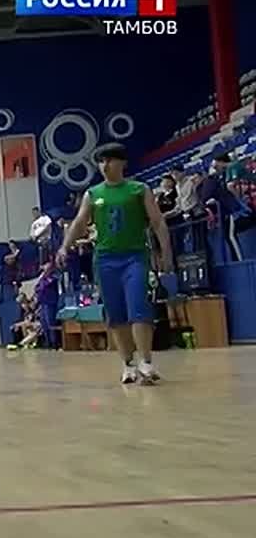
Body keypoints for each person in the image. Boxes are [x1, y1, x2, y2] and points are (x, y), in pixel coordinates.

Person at [57, 143, 172, 385]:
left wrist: (166, 252)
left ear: (122, 163)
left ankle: (146, 361)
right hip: (105, 259)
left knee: (138, 306)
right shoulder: (93, 194)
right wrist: (65, 246)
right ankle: (128, 364)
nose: (105, 166)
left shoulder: (139, 190)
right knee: (116, 313)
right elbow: (79, 222)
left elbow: (158, 222)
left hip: (135, 256)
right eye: (101, 161)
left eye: (110, 160)